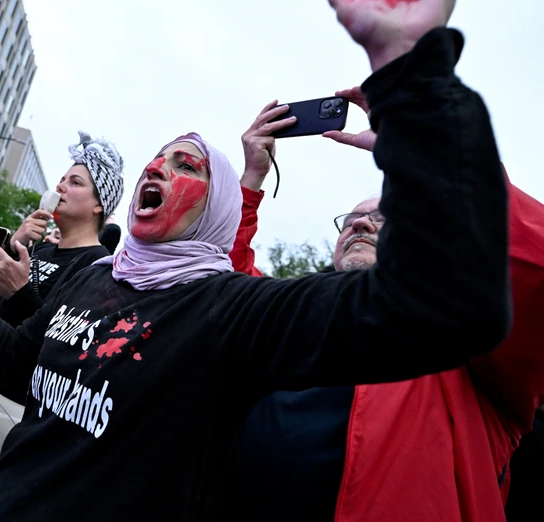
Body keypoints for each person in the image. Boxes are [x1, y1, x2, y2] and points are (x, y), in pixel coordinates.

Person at [0, 0, 510, 521]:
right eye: (155, 159)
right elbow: (17, 365)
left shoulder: (230, 312)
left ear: (214, 212)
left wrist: (416, 83)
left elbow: (449, 305)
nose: (156, 168)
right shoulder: (94, 280)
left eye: (185, 164)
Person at [226, 80, 544, 522]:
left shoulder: (467, 346)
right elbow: (225, 294)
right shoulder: (292, 323)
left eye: (383, 219)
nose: (361, 226)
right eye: (351, 221)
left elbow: (532, 265)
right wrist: (251, 181)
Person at [0, 132, 125, 402]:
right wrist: (15, 240)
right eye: (62, 180)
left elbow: (58, 340)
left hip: (5, 400)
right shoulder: (39, 249)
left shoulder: (97, 266)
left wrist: (19, 291)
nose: (60, 187)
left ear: (99, 204)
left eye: (75, 182)